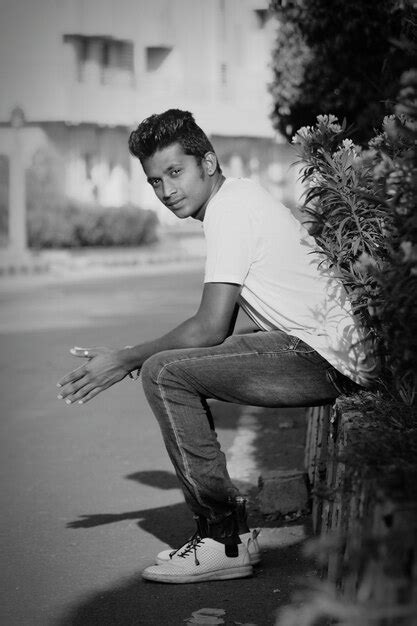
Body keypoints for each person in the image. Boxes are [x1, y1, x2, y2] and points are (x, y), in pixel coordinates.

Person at [56, 109, 372, 584]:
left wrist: (125, 358)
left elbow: (209, 328)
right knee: (172, 363)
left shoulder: (230, 210)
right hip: (326, 352)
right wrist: (139, 352)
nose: (166, 191)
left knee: (165, 373)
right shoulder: (238, 199)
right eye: (154, 181)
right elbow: (230, 329)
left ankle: (224, 539)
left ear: (208, 161)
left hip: (327, 360)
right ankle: (227, 536)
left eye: (175, 172)